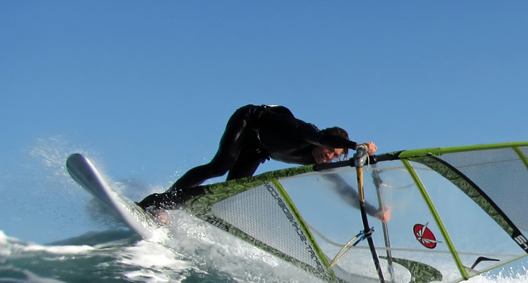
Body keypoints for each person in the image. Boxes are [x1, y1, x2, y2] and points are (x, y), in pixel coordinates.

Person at [138, 104, 378, 213]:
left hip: (259, 150)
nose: (329, 156)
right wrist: (357, 145)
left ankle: (177, 210)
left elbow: (342, 189)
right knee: (220, 166)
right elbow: (322, 137)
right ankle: (160, 202)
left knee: (230, 192)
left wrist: (373, 211)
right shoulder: (307, 133)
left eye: (335, 156)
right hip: (249, 122)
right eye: (330, 150)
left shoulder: (317, 163)